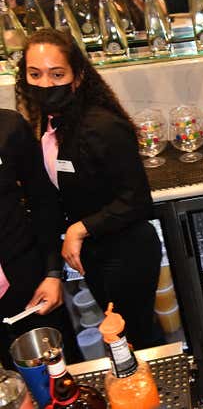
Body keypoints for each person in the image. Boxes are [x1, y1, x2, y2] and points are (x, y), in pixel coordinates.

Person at [14, 29, 164, 349]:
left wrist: (79, 229)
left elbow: (137, 200)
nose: (45, 84)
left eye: (57, 74)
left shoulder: (102, 126)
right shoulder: (49, 121)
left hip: (127, 252)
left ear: (77, 77)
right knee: (118, 331)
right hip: (96, 253)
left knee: (134, 333)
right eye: (35, 74)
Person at [0, 108, 79, 368]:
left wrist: (53, 272)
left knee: (60, 371)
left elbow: (43, 201)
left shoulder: (8, 126)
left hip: (27, 282)